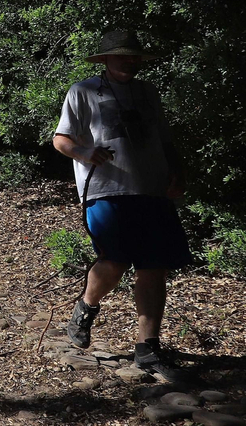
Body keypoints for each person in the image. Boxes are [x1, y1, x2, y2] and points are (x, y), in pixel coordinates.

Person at [52, 28, 192, 384]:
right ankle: (86, 306)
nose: (129, 62)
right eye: (121, 56)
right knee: (114, 261)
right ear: (105, 60)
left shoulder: (148, 92)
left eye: (134, 57)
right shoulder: (83, 91)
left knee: (154, 267)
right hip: (105, 189)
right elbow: (61, 139)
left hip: (152, 189)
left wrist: (176, 172)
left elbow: (164, 137)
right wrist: (85, 152)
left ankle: (148, 348)